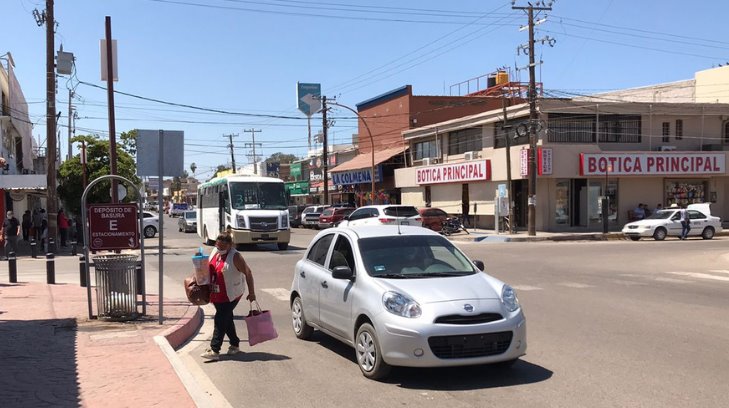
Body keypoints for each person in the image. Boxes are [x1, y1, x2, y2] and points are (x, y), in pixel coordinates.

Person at [200, 231, 257, 360]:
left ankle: (214, 350)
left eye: (222, 247)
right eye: (218, 246)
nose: (219, 249)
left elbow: (248, 272)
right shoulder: (215, 252)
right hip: (217, 294)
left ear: (230, 245)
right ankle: (235, 344)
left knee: (220, 319)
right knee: (227, 318)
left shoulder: (235, 256)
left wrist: (252, 293)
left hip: (231, 294)